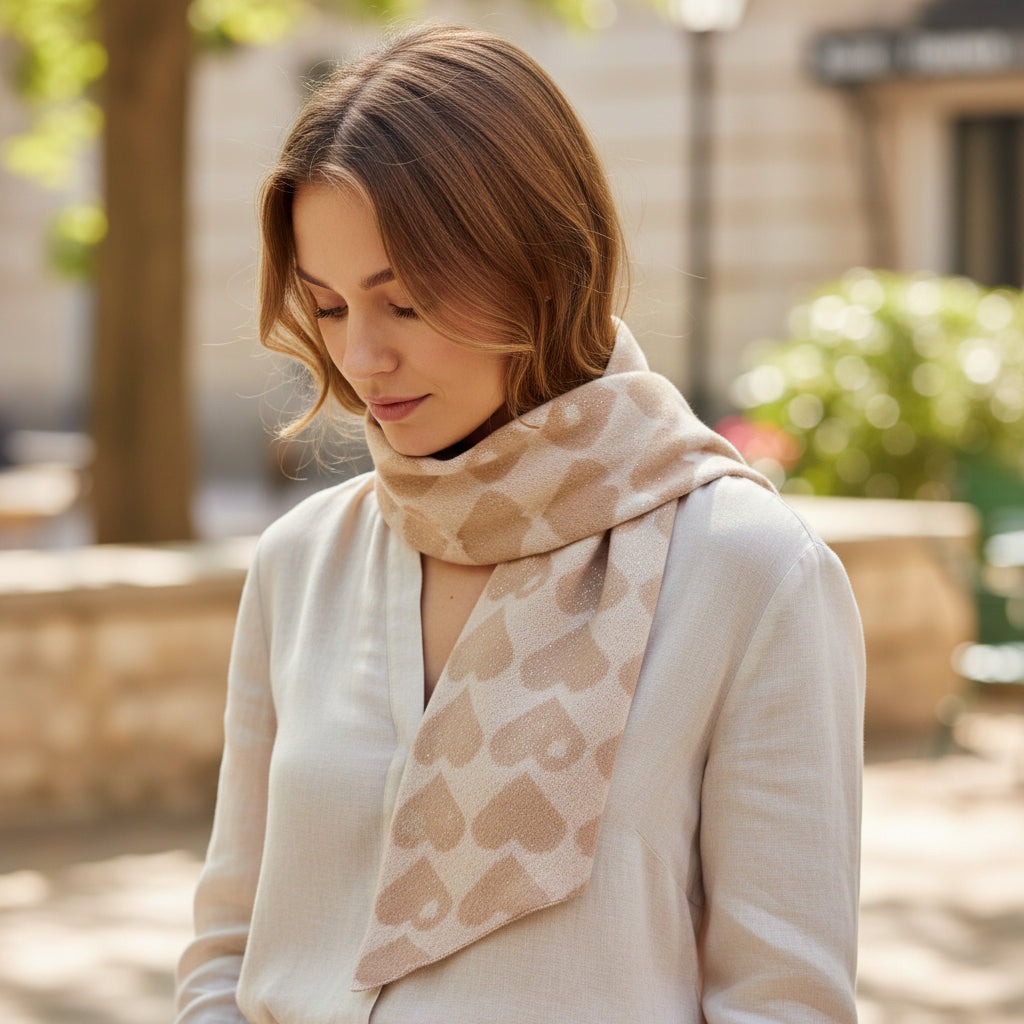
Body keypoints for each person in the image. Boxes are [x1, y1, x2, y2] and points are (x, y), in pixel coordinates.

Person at [175, 23, 864, 1024]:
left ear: (540, 266)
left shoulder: (746, 571)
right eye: (326, 308)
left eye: (402, 303)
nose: (361, 358)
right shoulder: (301, 564)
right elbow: (229, 950)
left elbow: (784, 1001)